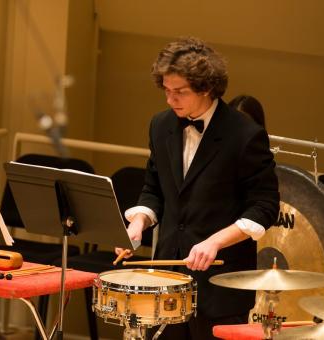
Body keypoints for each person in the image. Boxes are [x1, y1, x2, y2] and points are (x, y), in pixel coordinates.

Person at [116, 37, 279, 339]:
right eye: (166, 90)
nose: (170, 99)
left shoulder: (244, 135)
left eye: (179, 92)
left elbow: (265, 207)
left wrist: (215, 241)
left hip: (221, 286)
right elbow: (154, 187)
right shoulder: (160, 125)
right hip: (168, 282)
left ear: (207, 88)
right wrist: (139, 223)